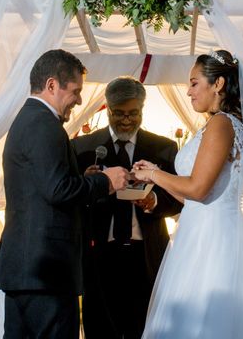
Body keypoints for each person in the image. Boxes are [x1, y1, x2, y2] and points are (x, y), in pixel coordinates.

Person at [132, 50, 243, 339]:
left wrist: (153, 176)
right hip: (201, 231)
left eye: (194, 83)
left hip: (213, 241)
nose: (188, 91)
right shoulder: (217, 124)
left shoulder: (222, 123)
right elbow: (196, 199)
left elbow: (197, 188)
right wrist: (159, 174)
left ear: (218, 84)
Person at [0, 49, 130, 339]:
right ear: (52, 85)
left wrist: (82, 180)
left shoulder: (29, 119)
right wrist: (105, 181)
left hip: (28, 268)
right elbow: (58, 190)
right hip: (47, 270)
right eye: (76, 91)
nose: (79, 100)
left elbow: (44, 186)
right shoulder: (44, 124)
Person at [73, 77, 183, 339]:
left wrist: (154, 201)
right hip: (99, 255)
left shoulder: (164, 148)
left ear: (142, 110)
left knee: (145, 330)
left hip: (146, 256)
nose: (126, 120)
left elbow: (178, 198)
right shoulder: (82, 148)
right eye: (119, 113)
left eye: (133, 113)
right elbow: (69, 200)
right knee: (99, 329)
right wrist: (86, 185)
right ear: (108, 108)